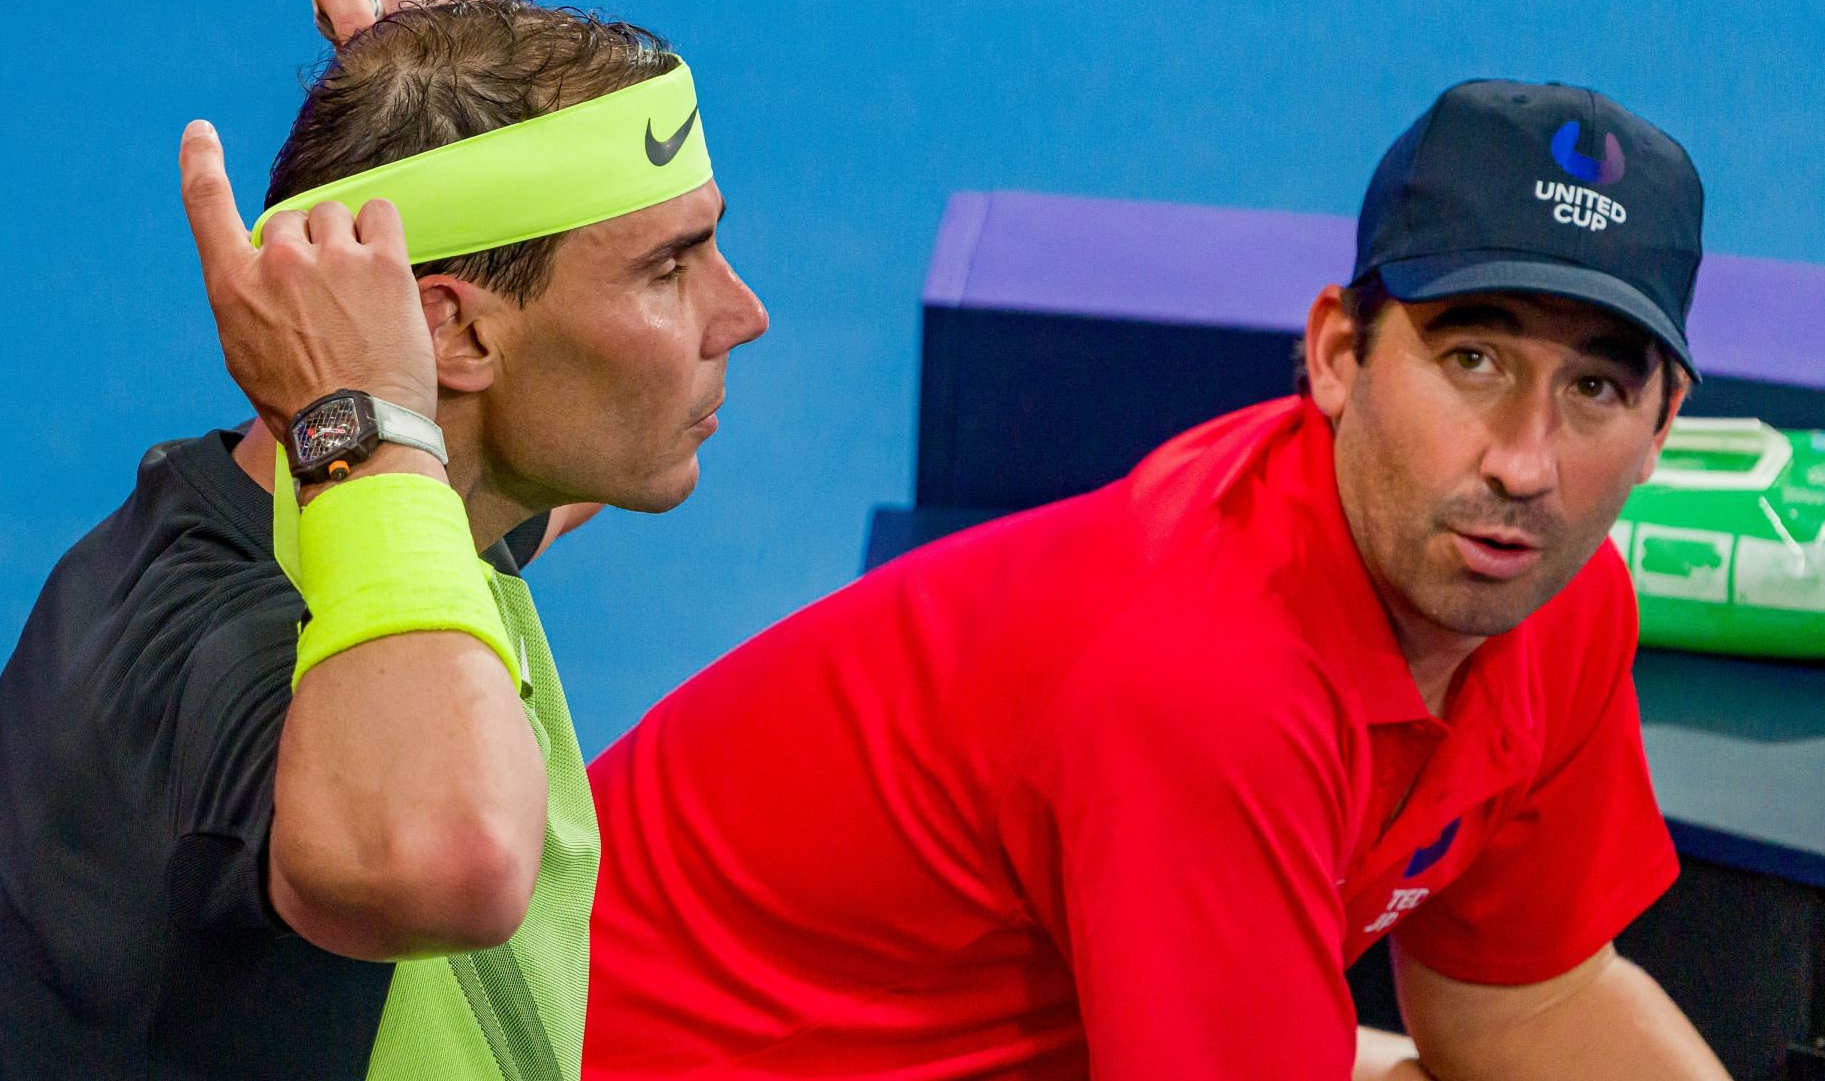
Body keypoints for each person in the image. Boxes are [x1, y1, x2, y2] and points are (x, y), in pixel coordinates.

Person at [582, 81, 1729, 1078]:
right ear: (1339, 354)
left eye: (1594, 389)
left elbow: (1531, 1003)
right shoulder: (1213, 682)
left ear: (1664, 421)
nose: (1525, 463)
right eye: (1472, 359)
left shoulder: (1556, 604)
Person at [0, 0, 767, 1079]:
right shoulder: (215, 653)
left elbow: (496, 463)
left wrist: (454, 82)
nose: (742, 313)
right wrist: (357, 411)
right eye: (668, 268)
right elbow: (457, 861)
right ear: (450, 332)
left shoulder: (414, 505)